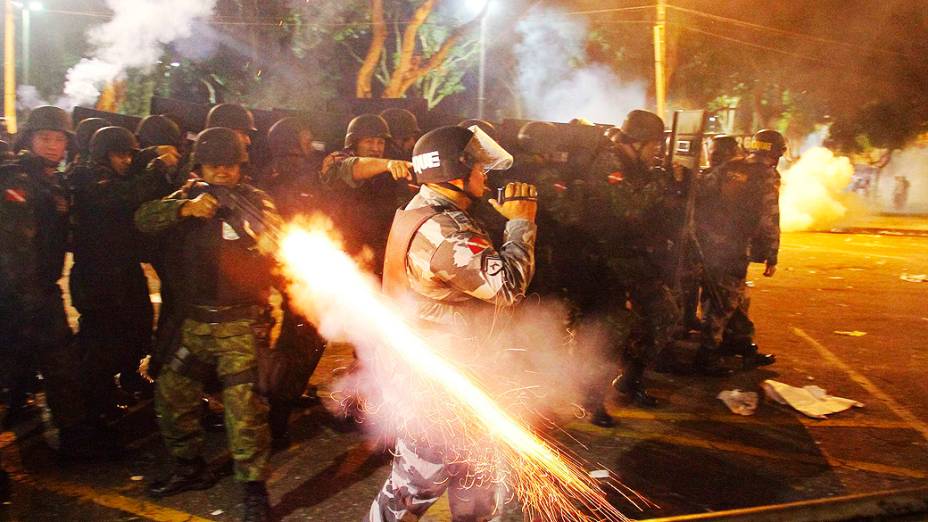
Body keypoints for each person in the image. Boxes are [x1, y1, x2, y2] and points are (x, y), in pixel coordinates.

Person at [370, 125, 536, 521]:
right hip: (439, 390)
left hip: (452, 376)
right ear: (455, 171)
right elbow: (507, 288)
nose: (485, 175)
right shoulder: (444, 231)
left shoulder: (429, 211)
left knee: (475, 485)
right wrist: (522, 222)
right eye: (479, 167)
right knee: (409, 495)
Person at [135, 127, 280, 522]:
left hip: (238, 323)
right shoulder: (185, 197)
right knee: (172, 395)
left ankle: (253, 487)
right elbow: (144, 218)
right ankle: (189, 467)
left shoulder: (254, 200)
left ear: (240, 167)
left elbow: (276, 234)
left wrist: (246, 222)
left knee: (243, 410)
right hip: (193, 321)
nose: (222, 173)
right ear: (200, 166)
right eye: (214, 166)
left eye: (230, 166)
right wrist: (185, 208)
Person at [0, 106, 117, 458]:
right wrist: (25, 295)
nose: (53, 146)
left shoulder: (53, 181)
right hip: (14, 293)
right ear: (29, 140)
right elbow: (16, 247)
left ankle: (74, 437)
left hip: (41, 290)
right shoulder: (17, 181)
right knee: (14, 370)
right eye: (45, 138)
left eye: (59, 139)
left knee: (58, 366)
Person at [584, 110, 698, 422]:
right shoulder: (610, 163)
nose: (656, 153)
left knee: (664, 315)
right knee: (611, 332)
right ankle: (593, 400)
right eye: (654, 146)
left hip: (634, 258)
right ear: (638, 142)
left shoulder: (636, 166)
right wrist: (664, 180)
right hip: (606, 261)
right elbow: (628, 206)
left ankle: (631, 381)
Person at [69, 126, 180, 421]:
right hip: (97, 274)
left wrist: (151, 154)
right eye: (120, 155)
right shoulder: (87, 177)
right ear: (103, 156)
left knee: (139, 323)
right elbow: (122, 196)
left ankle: (130, 376)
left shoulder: (117, 174)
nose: (127, 161)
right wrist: (157, 167)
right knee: (102, 338)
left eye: (129, 154)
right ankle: (97, 396)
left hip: (124, 268)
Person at [259, 117, 327, 444]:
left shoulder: (267, 171)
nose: (309, 141)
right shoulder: (301, 172)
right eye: (305, 136)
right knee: (302, 338)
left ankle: (277, 402)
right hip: (302, 263)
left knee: (294, 334)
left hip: (282, 264)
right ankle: (278, 414)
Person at [696, 129, 781, 370]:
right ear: (777, 152)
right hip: (734, 247)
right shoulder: (767, 175)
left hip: (712, 243)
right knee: (724, 301)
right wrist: (772, 254)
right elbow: (770, 218)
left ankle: (740, 344)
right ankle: (707, 355)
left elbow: (702, 190)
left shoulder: (731, 166)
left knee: (735, 298)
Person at [320, 113, 413, 275]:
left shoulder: (386, 172)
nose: (376, 148)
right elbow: (352, 167)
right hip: (344, 259)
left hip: (379, 259)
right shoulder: (336, 163)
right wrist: (390, 164)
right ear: (354, 143)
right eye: (369, 141)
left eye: (380, 142)